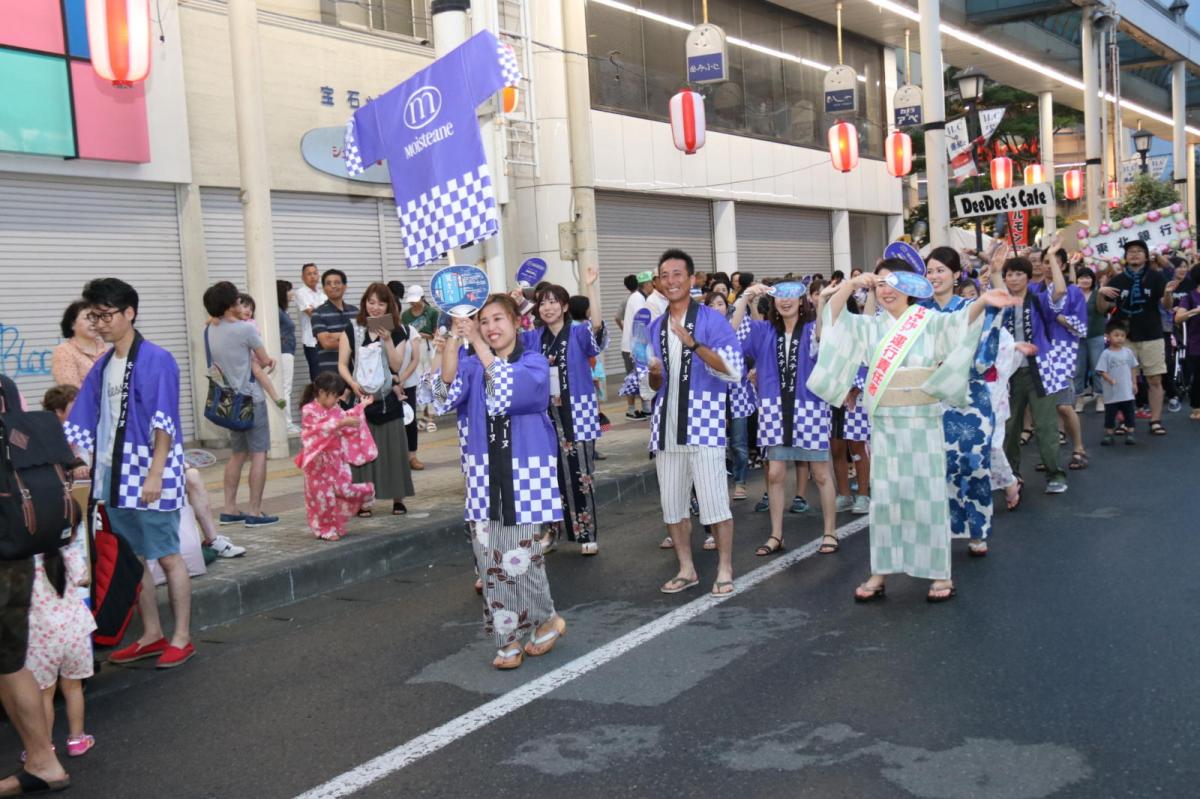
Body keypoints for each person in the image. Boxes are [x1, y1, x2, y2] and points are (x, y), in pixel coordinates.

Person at [809, 259, 1015, 603]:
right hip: (886, 424)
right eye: (882, 284)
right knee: (887, 499)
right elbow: (833, 322)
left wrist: (982, 301)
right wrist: (851, 285)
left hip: (922, 422)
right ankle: (881, 570)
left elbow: (958, 326)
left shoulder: (928, 321)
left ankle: (939, 573)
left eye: (895, 283)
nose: (887, 290)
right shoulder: (870, 328)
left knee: (928, 497)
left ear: (911, 288)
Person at [64, 277, 196, 668]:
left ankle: (182, 636)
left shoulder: (157, 359)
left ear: (129, 313)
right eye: (94, 316)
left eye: (106, 315)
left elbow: (164, 421)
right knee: (133, 558)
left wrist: (155, 474)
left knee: (168, 556)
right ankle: (152, 634)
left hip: (147, 473)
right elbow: (85, 418)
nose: (100, 323)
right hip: (114, 477)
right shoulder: (105, 364)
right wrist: (75, 459)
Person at [433, 294, 567, 670]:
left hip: (525, 476)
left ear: (516, 323)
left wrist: (474, 339)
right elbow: (443, 394)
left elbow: (512, 390)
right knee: (489, 562)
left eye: (497, 320)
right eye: (484, 321)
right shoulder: (473, 365)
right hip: (482, 475)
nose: (491, 328)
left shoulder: (535, 362)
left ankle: (546, 618)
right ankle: (507, 639)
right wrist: (452, 342)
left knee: (521, 558)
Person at [647, 250, 743, 597]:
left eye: (677, 274)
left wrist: (694, 344)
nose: (671, 281)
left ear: (691, 279)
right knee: (672, 504)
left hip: (705, 423)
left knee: (715, 501)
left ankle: (725, 567)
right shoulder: (654, 326)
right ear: (658, 283)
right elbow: (651, 388)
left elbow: (733, 370)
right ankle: (686, 568)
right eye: (665, 275)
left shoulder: (711, 321)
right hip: (666, 426)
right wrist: (654, 375)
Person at [0, 381, 72, 795]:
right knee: (9, 661)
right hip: (17, 539)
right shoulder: (7, 387)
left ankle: (44, 760)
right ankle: (43, 760)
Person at [733, 282, 839, 558]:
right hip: (773, 410)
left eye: (792, 296)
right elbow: (730, 333)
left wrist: (823, 301)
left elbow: (822, 338)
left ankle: (830, 532)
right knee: (776, 474)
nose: (786, 301)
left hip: (810, 407)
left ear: (802, 300)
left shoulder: (811, 328)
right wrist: (745, 297)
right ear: (774, 302)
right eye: (780, 296)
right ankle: (776, 534)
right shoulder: (764, 330)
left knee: (821, 474)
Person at [521, 267, 606, 556]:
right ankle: (551, 531)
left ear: (565, 306)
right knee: (548, 476)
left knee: (581, 474)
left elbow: (597, 328)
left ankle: (587, 534)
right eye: (542, 302)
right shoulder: (534, 338)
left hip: (577, 413)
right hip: (544, 417)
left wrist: (590, 287)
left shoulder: (580, 333)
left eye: (553, 302)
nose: (547, 307)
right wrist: (516, 301)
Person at [922, 246, 1000, 555]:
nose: (934, 276)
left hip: (970, 395)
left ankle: (977, 530)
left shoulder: (971, 305)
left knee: (973, 463)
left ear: (957, 275)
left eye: (941, 270)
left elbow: (995, 312)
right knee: (937, 466)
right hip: (932, 397)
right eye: (930, 270)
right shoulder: (919, 312)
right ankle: (942, 529)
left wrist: (994, 272)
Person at [992, 251, 1070, 495]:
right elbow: (995, 278)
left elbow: (1059, 290)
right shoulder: (1001, 300)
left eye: (1018, 274)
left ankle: (1055, 473)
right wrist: (994, 267)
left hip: (1041, 370)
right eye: (1009, 274)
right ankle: (1011, 476)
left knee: (1046, 425)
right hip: (1008, 373)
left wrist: (1055, 256)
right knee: (1009, 425)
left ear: (1028, 277)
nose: (1013, 278)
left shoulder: (1038, 299)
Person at [203, 282, 280, 528]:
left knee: (237, 455)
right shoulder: (246, 329)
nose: (240, 303)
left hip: (228, 402)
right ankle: (254, 512)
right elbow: (265, 359)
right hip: (251, 400)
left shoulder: (209, 330)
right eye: (237, 300)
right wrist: (269, 362)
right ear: (229, 305)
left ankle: (229, 508)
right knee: (258, 454)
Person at [337, 282, 415, 517]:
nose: (376, 308)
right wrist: (352, 385)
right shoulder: (352, 329)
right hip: (362, 403)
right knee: (361, 453)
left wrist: (388, 339)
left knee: (394, 450)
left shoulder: (398, 329)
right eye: (371, 302)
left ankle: (398, 499)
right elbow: (342, 364)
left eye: (381, 303)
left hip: (388, 402)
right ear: (364, 304)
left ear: (389, 305)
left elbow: (396, 365)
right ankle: (364, 501)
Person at [25, 540, 97, 759]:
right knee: (73, 689)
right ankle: (77, 740)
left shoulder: (24, 559)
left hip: (40, 638)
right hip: (75, 632)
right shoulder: (68, 551)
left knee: (44, 695)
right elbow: (84, 579)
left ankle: (44, 749)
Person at [1096, 240, 1173, 436]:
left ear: (1146, 256)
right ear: (1125, 257)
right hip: (1123, 338)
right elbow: (1102, 309)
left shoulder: (1156, 277)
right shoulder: (1118, 280)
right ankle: (1124, 420)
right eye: (1131, 251)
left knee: (1154, 379)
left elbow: (1166, 305)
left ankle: (1155, 420)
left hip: (1152, 334)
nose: (1135, 254)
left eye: (1139, 251)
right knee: (1122, 381)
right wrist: (1101, 292)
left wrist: (1168, 294)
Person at [296, 373, 377, 540]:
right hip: (316, 463)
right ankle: (326, 529)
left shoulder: (336, 409)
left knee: (343, 489)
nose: (335, 400)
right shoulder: (308, 410)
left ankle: (363, 494)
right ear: (322, 392)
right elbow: (313, 430)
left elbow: (347, 418)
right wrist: (340, 424)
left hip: (336, 460)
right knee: (322, 497)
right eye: (334, 396)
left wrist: (362, 406)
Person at [709, 293, 754, 501]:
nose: (716, 307)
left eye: (720, 304)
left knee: (738, 442)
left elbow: (750, 348)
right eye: (712, 304)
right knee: (715, 444)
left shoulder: (740, 325)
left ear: (727, 307)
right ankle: (715, 485)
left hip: (737, 394)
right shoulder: (702, 330)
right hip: (712, 395)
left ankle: (740, 482)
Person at [401, 285, 440, 435]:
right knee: (418, 384)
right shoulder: (405, 316)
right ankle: (423, 415)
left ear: (422, 298)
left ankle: (431, 418)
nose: (413, 304)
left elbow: (437, 333)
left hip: (429, 347)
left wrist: (427, 336)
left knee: (430, 381)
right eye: (411, 301)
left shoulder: (431, 313)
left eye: (416, 300)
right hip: (413, 349)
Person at [1097, 320, 1140, 446]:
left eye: (1122, 335)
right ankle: (1109, 433)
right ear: (1108, 336)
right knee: (1110, 414)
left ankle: (1131, 432)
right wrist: (1109, 379)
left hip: (1126, 391)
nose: (1120, 338)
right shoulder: (1106, 354)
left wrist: (1134, 383)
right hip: (1112, 392)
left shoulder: (1128, 352)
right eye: (1116, 335)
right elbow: (1101, 370)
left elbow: (1133, 368)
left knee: (1129, 413)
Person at [1073, 266, 1107, 413]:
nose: (1085, 280)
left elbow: (1103, 310)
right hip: (1076, 337)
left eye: (1087, 277)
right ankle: (1079, 398)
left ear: (1093, 280)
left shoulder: (1098, 293)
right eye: (1081, 277)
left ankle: (1100, 397)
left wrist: (1102, 291)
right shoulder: (1072, 294)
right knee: (1078, 369)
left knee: (1098, 368)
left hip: (1096, 335)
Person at [620, 271, 654, 419]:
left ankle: (646, 408)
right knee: (633, 378)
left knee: (640, 377)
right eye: (653, 282)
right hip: (633, 348)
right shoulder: (638, 299)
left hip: (634, 346)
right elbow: (642, 324)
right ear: (646, 284)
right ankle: (631, 410)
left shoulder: (638, 297)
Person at [51, 300, 106, 389]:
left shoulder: (106, 349)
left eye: (95, 317)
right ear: (72, 324)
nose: (93, 323)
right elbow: (71, 392)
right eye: (87, 318)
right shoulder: (64, 351)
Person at [311, 269, 357, 376]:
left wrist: (335, 335)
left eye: (337, 282)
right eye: (328, 283)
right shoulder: (318, 313)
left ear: (345, 286)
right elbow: (327, 343)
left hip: (356, 372)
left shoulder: (355, 311)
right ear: (324, 289)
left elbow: (364, 339)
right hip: (330, 373)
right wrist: (351, 337)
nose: (333, 286)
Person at [1174, 264, 1200, 420]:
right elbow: (1178, 318)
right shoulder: (1189, 297)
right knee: (1198, 376)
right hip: (1196, 343)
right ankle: (1197, 407)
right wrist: (1194, 311)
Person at [277, 280, 300, 434]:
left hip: (287, 352)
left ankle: (286, 423)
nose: (292, 293)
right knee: (285, 388)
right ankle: (286, 424)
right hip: (284, 352)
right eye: (289, 290)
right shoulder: (277, 311)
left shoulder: (281, 311)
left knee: (285, 388)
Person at [295, 263, 326, 378]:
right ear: (302, 277)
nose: (313, 276)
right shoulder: (300, 293)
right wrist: (320, 312)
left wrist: (317, 310)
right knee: (316, 375)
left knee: (328, 373)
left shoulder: (323, 295)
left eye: (315, 273)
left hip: (326, 339)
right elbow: (312, 313)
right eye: (309, 274)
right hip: (311, 340)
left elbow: (328, 313)